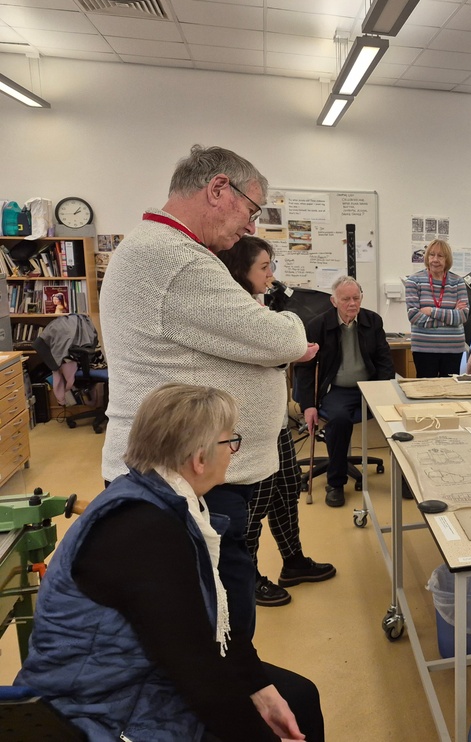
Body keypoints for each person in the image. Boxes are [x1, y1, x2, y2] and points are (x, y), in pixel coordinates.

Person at [16, 384, 323, 742]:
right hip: (98, 713)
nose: (234, 452)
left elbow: (210, 631)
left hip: (135, 677)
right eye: (230, 441)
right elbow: (194, 667)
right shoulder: (146, 530)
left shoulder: (161, 498)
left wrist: (261, 690)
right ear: (199, 459)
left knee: (296, 695)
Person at [100, 144, 317, 640]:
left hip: (194, 480)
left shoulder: (172, 252)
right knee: (214, 635)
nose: (250, 227)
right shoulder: (175, 259)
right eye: (252, 210)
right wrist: (285, 323)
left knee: (212, 622)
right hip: (185, 485)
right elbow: (282, 337)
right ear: (219, 188)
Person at [217, 235, 335, 607]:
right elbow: (271, 348)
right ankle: (249, 576)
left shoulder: (255, 303)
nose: (271, 276)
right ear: (241, 270)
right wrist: (289, 350)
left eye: (271, 267)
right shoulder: (234, 308)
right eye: (264, 268)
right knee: (255, 507)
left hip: (276, 424)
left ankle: (293, 561)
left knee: (287, 492)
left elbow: (276, 351)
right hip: (249, 429)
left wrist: (289, 353)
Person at [294, 275, 393, 508]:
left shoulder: (372, 321)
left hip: (368, 387)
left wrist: (384, 393)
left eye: (356, 298)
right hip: (336, 390)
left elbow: (384, 361)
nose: (352, 303)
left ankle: (405, 481)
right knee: (339, 420)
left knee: (397, 415)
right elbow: (305, 370)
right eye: (346, 299)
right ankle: (335, 483)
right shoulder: (318, 325)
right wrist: (308, 405)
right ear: (334, 301)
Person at [405, 239, 469, 377]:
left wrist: (431, 311)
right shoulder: (413, 281)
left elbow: (463, 316)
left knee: (451, 393)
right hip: (424, 348)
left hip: (453, 348)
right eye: (432, 255)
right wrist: (450, 318)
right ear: (427, 257)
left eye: (440, 256)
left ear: (447, 259)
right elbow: (413, 316)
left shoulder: (458, 282)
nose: (435, 259)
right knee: (425, 392)